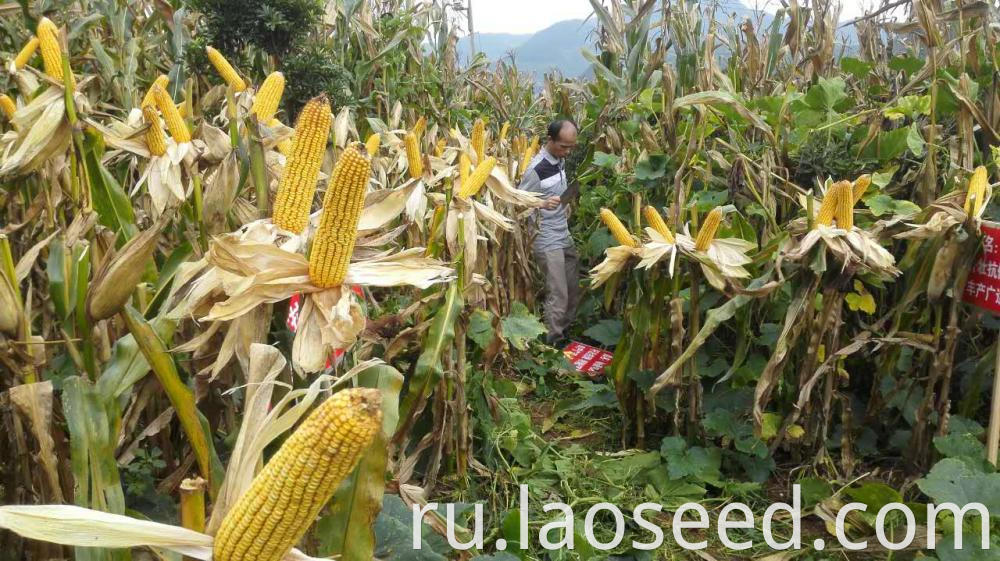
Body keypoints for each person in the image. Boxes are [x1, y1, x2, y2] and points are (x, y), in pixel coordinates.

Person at [518, 118, 580, 347]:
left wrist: (565, 202)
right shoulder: (537, 169)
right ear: (550, 141)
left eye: (571, 147)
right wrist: (542, 205)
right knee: (558, 292)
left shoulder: (559, 160)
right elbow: (517, 201)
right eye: (563, 146)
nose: (567, 152)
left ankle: (565, 331)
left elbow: (555, 189)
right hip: (545, 237)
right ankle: (552, 342)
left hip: (562, 233)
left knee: (573, 285)